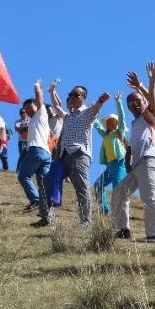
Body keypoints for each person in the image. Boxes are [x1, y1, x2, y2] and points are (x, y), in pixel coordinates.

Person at [114, 64, 155, 243]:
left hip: (150, 160)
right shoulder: (135, 123)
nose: (134, 104)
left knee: (149, 196)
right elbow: (131, 146)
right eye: (131, 102)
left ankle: (154, 235)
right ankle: (123, 229)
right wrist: (128, 162)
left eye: (138, 101)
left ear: (144, 103)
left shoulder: (149, 116)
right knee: (119, 192)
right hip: (138, 165)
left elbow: (154, 102)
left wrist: (140, 85)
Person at [53, 84, 111, 228]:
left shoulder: (86, 113)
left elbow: (95, 109)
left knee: (82, 188)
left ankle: (86, 222)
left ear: (84, 98)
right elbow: (57, 107)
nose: (72, 97)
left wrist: (101, 101)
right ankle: (45, 217)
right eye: (70, 94)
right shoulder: (68, 117)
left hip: (79, 155)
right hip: (63, 156)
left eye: (76, 95)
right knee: (49, 182)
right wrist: (51, 92)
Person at [18, 80, 54, 225]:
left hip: (37, 151)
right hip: (45, 154)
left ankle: (36, 200)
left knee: (23, 176)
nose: (28, 110)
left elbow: (39, 100)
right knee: (43, 184)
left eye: (30, 107)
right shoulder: (34, 121)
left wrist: (37, 87)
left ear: (37, 107)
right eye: (26, 109)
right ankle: (46, 214)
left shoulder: (41, 113)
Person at [91, 93, 128, 216]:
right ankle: (105, 210)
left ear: (117, 123)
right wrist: (93, 111)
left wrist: (118, 102)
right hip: (110, 166)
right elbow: (97, 125)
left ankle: (119, 213)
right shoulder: (106, 134)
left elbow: (122, 117)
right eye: (109, 121)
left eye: (114, 121)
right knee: (98, 185)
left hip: (119, 164)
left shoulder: (119, 132)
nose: (111, 122)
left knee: (118, 188)